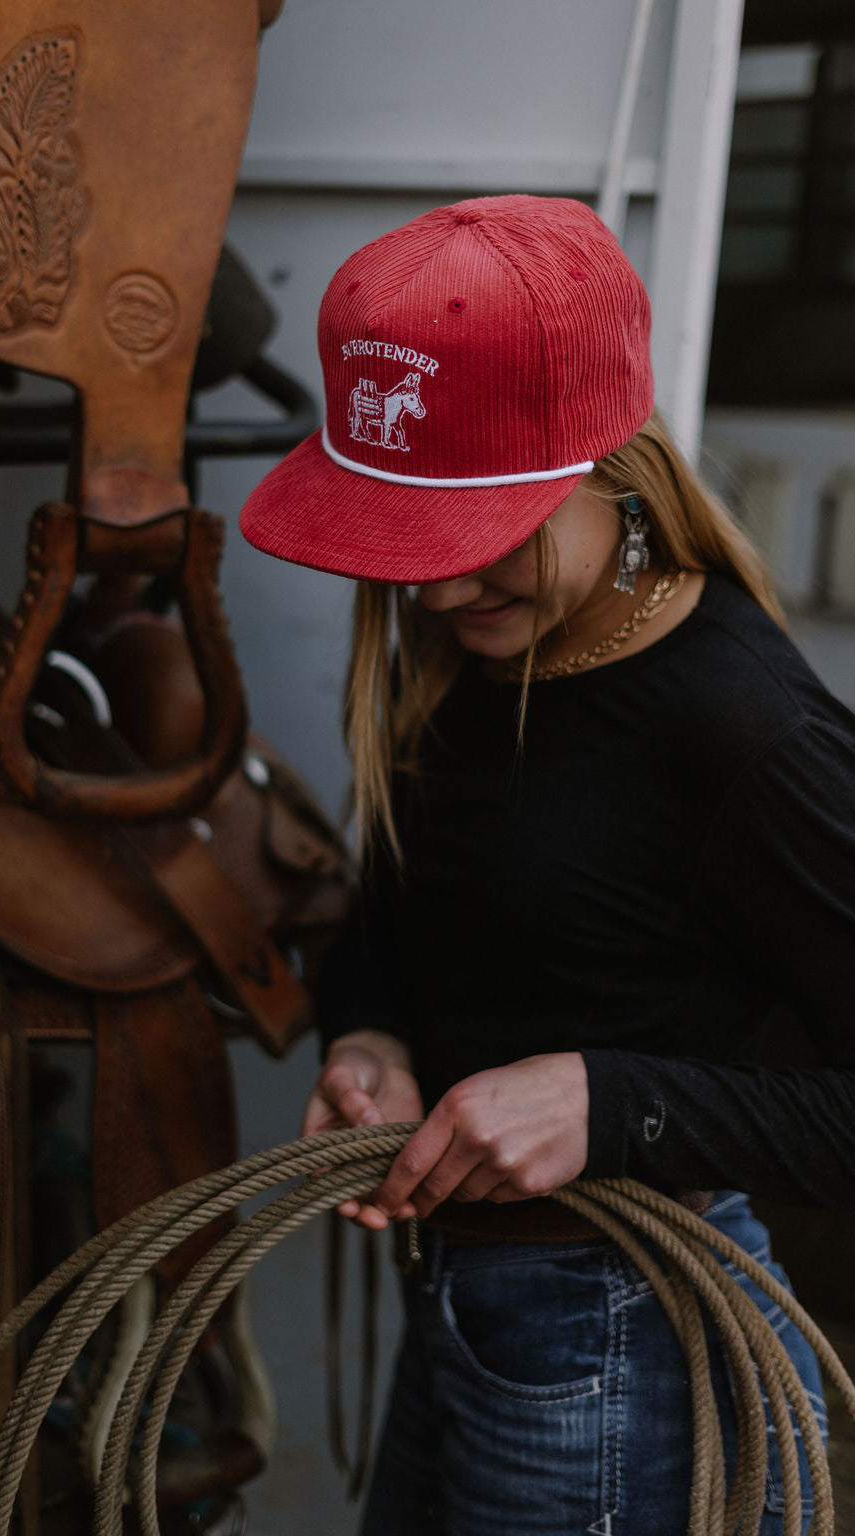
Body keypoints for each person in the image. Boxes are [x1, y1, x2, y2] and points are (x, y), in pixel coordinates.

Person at [239, 195, 855, 1535]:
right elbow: (406, 915)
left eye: (474, 540)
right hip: (465, 1309)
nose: (440, 593)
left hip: (621, 1347)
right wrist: (373, 1037)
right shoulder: (469, 659)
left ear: (612, 469)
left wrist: (611, 1100)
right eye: (412, 547)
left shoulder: (743, 729)